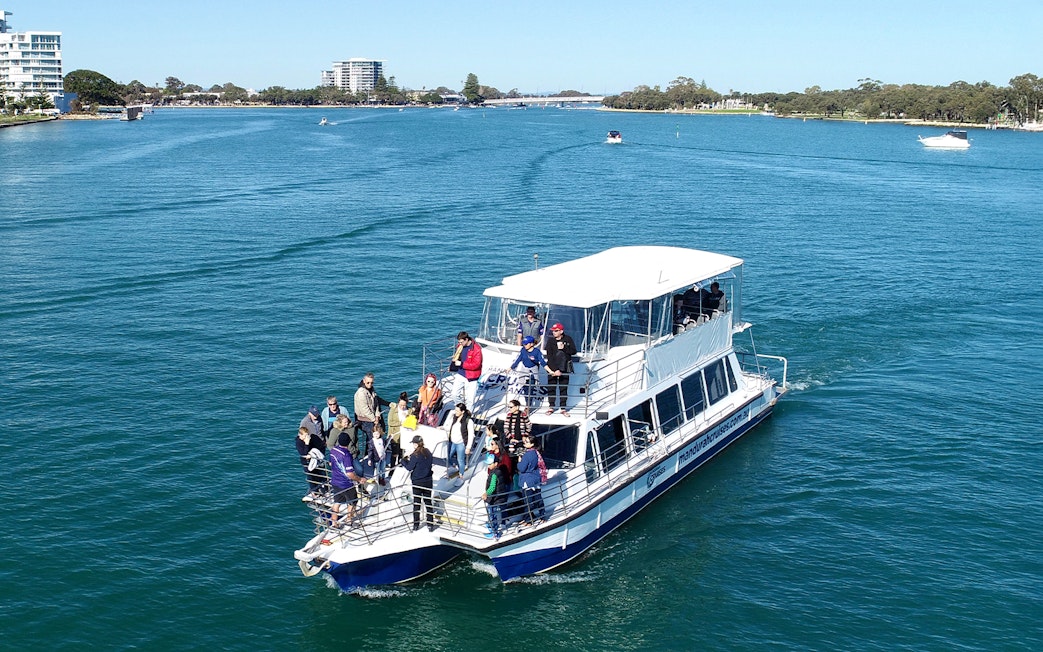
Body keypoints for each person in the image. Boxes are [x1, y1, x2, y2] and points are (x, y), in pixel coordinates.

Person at [353, 372, 390, 472]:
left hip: (372, 418)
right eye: (368, 382)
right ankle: (371, 459)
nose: (370, 384)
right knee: (372, 439)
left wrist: (377, 415)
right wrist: (374, 419)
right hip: (364, 420)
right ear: (364, 381)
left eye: (371, 383)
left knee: (376, 437)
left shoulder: (371, 391)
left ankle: (375, 457)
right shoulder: (361, 393)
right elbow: (364, 409)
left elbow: (376, 404)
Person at [329, 431, 364, 528]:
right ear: (348, 443)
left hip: (335, 481)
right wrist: (359, 479)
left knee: (337, 502)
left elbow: (331, 463)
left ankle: (334, 523)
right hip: (346, 484)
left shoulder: (333, 451)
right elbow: (350, 474)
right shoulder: (346, 455)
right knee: (353, 501)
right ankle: (349, 520)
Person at [402, 434, 436, 531]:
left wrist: (403, 460)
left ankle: (416, 525)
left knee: (417, 503)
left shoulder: (415, 455)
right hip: (428, 480)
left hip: (417, 482)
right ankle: (430, 524)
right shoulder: (428, 452)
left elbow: (409, 468)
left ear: (416, 444)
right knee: (428, 502)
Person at [543, 322, 577, 416]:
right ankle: (551, 407)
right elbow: (549, 356)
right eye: (553, 331)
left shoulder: (568, 339)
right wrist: (555, 370)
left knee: (563, 388)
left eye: (556, 331)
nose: (554, 332)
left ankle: (563, 408)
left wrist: (564, 348)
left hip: (565, 367)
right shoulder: (550, 341)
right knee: (551, 388)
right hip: (553, 368)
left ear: (561, 331)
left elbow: (573, 351)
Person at [516, 435, 547, 524]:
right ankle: (542, 515)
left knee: (527, 501)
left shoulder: (527, 455)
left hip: (527, 480)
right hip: (536, 479)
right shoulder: (536, 453)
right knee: (538, 498)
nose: (524, 443)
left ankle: (528, 520)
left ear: (532, 444)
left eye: (527, 442)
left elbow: (521, 468)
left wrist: (519, 461)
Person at [509, 335, 547, 408]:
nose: (524, 345)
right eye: (524, 344)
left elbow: (542, 362)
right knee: (525, 389)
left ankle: (528, 406)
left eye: (526, 344)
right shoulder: (523, 350)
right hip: (524, 371)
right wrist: (511, 367)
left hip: (533, 372)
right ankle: (527, 404)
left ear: (531, 344)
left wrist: (550, 371)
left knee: (530, 390)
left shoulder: (537, 352)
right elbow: (518, 359)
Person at [448, 331, 482, 411]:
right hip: (461, 373)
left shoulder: (476, 349)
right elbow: (457, 356)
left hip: (471, 377)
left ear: (466, 339)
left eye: (461, 342)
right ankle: (461, 409)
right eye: (459, 342)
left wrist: (462, 364)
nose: (460, 343)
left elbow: (476, 365)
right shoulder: (460, 346)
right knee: (454, 394)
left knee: (470, 399)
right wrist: (453, 366)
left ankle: (468, 414)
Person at [482, 447, 510, 539]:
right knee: (495, 513)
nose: (488, 466)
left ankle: (494, 533)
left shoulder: (494, 474)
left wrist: (486, 494)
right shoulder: (498, 472)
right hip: (499, 497)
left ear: (495, 464)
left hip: (495, 498)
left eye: (490, 464)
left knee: (492, 515)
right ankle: (494, 527)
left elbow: (492, 487)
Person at [296, 425, 327, 501]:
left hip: (314, 461)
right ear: (300, 435)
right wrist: (306, 444)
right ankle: (314, 492)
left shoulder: (311, 439)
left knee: (319, 475)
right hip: (306, 463)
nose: (307, 437)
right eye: (305, 435)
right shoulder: (299, 442)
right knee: (311, 477)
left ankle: (323, 489)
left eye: (307, 435)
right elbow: (304, 453)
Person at [444, 402, 471, 476]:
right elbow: (450, 427)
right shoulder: (455, 418)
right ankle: (452, 466)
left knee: (460, 460)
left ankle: (461, 475)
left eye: (457, 411)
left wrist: (468, 447)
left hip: (461, 443)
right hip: (452, 442)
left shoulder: (468, 421)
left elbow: (471, 435)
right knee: (448, 455)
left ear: (462, 412)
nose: (455, 412)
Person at [385, 392, 410, 470]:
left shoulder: (409, 411)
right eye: (401, 405)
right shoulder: (393, 410)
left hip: (405, 434)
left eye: (404, 405)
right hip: (395, 435)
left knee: (401, 452)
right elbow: (390, 422)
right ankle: (392, 468)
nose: (402, 407)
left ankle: (400, 465)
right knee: (394, 453)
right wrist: (401, 423)